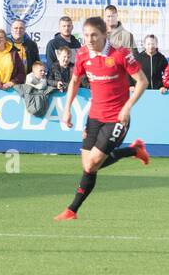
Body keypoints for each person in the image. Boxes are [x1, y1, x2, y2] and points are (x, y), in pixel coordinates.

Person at [56, 16, 150, 221]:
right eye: (86, 35)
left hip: (117, 118)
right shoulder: (82, 54)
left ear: (104, 35)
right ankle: (134, 150)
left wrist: (127, 107)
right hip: (94, 117)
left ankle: (72, 210)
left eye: (94, 35)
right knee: (88, 165)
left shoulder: (121, 55)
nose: (89, 39)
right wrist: (67, 109)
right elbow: (74, 81)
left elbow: (142, 81)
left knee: (91, 166)